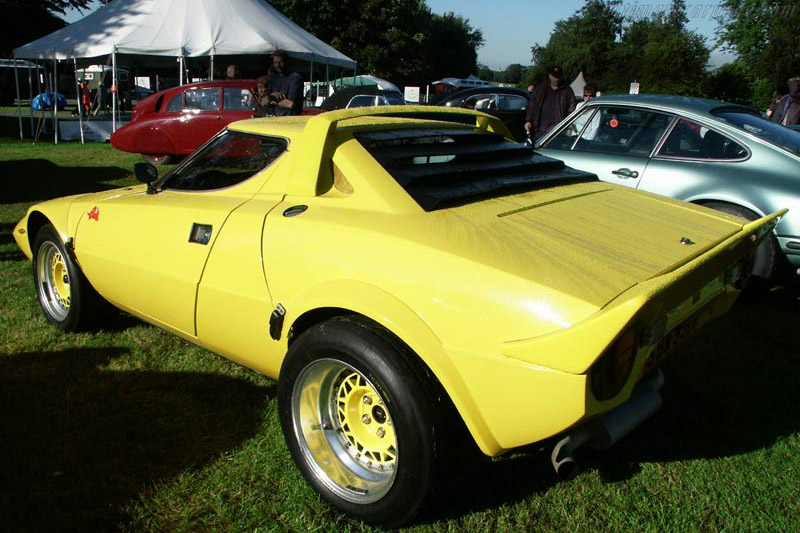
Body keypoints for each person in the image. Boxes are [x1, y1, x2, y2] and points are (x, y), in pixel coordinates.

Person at [524, 66, 575, 139]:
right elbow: (532, 106)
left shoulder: (567, 90)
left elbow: (571, 110)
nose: (556, 79)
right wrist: (528, 120)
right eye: (554, 76)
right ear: (550, 76)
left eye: (558, 76)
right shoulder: (541, 88)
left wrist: (568, 127)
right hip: (539, 130)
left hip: (557, 131)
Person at [265, 50, 304, 116]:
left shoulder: (295, 78)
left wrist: (272, 100)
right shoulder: (274, 79)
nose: (278, 65)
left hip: (289, 121)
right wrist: (273, 95)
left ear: (286, 62)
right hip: (274, 120)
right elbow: (263, 101)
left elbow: (290, 104)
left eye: (281, 62)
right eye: (275, 63)